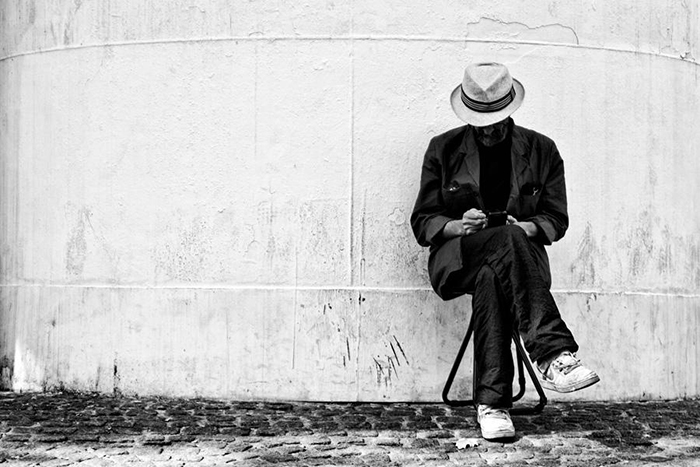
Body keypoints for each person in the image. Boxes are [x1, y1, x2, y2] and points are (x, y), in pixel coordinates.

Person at [410, 62, 600, 441]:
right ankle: (550, 354)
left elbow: (556, 219)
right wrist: (455, 225)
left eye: (498, 119)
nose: (491, 128)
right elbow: (422, 221)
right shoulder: (443, 150)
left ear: (511, 107)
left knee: (494, 274)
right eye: (482, 121)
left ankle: (493, 405)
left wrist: (526, 227)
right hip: (458, 257)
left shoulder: (542, 150)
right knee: (502, 247)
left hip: (519, 266)